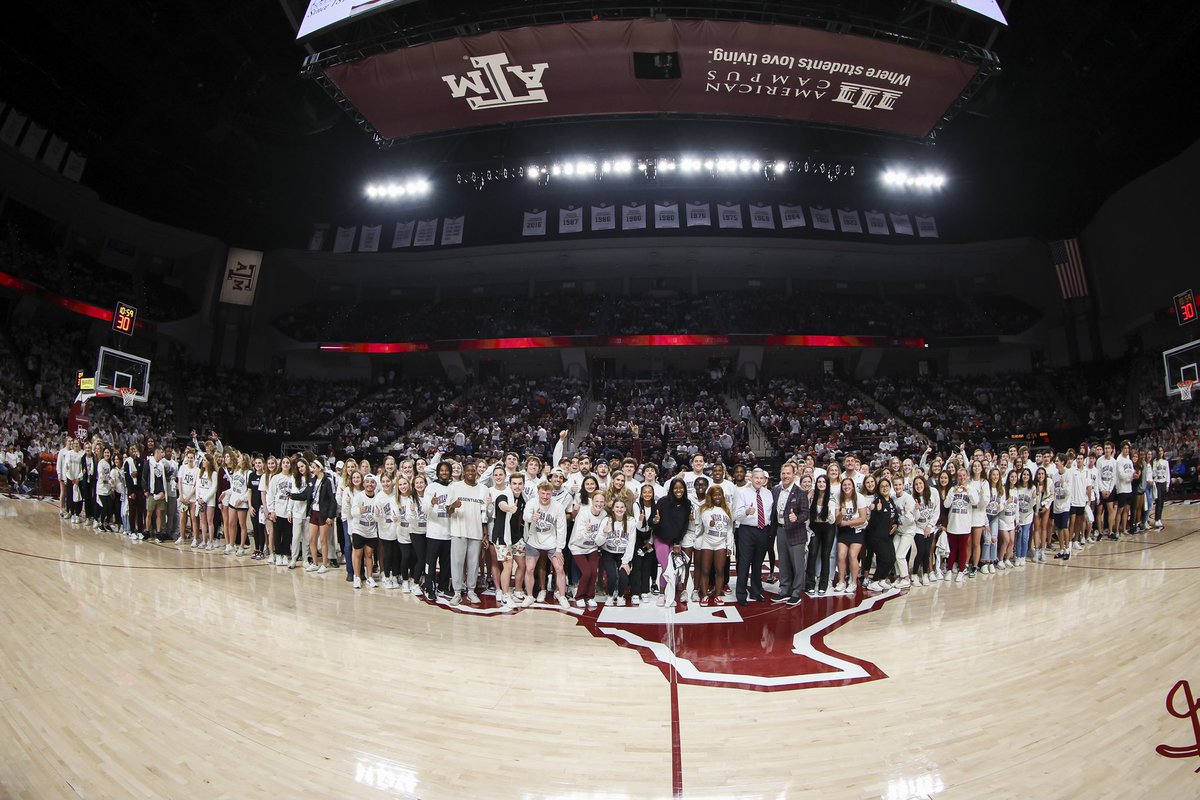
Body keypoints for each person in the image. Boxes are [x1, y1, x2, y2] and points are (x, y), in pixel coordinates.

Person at [520, 481, 571, 609]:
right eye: (542, 493)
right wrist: (532, 517)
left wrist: (559, 548)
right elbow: (525, 516)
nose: (545, 496)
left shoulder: (558, 507)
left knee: (559, 568)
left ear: (551, 494)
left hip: (551, 542)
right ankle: (530, 596)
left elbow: (561, 529)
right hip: (533, 541)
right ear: (538, 492)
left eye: (548, 494)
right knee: (529, 568)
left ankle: (562, 596)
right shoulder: (532, 502)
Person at [446, 460, 489, 606]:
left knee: (474, 563)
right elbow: (447, 510)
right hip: (458, 530)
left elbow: (484, 514)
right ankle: (457, 592)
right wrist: (453, 505)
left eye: (473, 470)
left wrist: (485, 533)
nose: (470, 473)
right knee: (457, 563)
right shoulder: (454, 487)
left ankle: (471, 591)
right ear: (464, 472)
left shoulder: (483, 489)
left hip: (476, 531)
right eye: (468, 470)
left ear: (476, 473)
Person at [771, 462, 810, 606]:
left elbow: (806, 513)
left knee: (798, 564)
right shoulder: (776, 490)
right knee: (783, 562)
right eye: (783, 473)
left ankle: (796, 593)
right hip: (781, 530)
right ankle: (784, 590)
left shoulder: (800, 492)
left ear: (794, 474)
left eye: (788, 473)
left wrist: (797, 518)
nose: (785, 476)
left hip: (796, 532)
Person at [732, 469, 772, 606]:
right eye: (756, 478)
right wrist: (746, 512)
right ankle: (741, 594)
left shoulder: (768, 494)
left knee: (758, 563)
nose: (759, 480)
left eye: (761, 478)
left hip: (763, 530)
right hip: (746, 530)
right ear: (751, 479)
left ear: (764, 480)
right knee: (744, 562)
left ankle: (756, 591)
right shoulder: (742, 493)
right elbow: (736, 515)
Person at [653, 478, 692, 607]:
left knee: (675, 570)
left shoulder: (687, 503)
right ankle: (662, 594)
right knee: (666, 568)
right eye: (675, 488)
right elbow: (653, 521)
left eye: (681, 488)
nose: (678, 490)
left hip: (675, 542)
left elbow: (685, 525)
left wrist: (677, 542)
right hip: (661, 539)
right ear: (671, 489)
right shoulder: (663, 501)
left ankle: (671, 594)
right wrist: (655, 521)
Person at [490, 473, 526, 606]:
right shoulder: (503, 495)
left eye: (520, 484)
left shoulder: (524, 498)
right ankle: (505, 595)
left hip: (516, 537)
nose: (517, 486)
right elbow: (502, 505)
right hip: (502, 537)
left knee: (523, 565)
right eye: (514, 483)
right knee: (508, 565)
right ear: (510, 485)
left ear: (523, 485)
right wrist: (509, 508)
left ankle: (518, 590)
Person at [569, 490, 609, 608]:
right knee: (586, 572)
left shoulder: (604, 515)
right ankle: (579, 596)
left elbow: (599, 541)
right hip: (578, 547)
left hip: (592, 547)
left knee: (593, 572)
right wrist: (587, 531)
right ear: (592, 501)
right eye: (597, 501)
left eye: (601, 502)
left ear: (604, 503)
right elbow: (578, 537)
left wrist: (604, 533)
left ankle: (590, 596)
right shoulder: (583, 514)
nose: (599, 504)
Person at [832, 477, 868, 594]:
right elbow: (837, 522)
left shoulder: (860, 497)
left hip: (857, 530)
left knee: (852, 555)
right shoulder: (838, 498)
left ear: (853, 486)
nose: (847, 487)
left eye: (849, 485)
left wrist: (846, 523)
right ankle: (841, 581)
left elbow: (863, 519)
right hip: (843, 531)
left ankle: (853, 582)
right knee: (841, 555)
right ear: (842, 487)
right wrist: (840, 515)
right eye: (844, 485)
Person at [350, 474, 385, 589]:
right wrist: (359, 510)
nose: (370, 484)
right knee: (358, 554)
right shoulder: (358, 497)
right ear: (364, 484)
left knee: (369, 554)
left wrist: (377, 515)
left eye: (372, 482)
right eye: (367, 482)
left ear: (375, 485)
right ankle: (357, 577)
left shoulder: (378, 498)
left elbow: (379, 516)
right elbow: (353, 512)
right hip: (359, 530)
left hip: (371, 531)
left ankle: (369, 577)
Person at [864, 477, 898, 592]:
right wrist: (876, 512)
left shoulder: (891, 501)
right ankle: (873, 581)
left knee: (892, 558)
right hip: (877, 537)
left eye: (886, 486)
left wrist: (896, 524)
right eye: (882, 486)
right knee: (885, 559)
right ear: (879, 489)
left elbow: (894, 516)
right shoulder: (877, 502)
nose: (885, 488)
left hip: (887, 536)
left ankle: (882, 579)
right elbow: (872, 523)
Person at [805, 474, 836, 595]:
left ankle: (823, 584)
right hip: (814, 528)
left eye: (824, 482)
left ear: (827, 484)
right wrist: (808, 496)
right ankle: (810, 584)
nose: (821, 484)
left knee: (825, 555)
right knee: (812, 554)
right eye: (819, 482)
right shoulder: (812, 496)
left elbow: (832, 519)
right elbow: (805, 509)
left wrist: (831, 517)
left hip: (828, 528)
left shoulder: (831, 498)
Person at [601, 498, 636, 606]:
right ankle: (610, 595)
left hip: (623, 553)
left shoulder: (631, 521)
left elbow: (631, 543)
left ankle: (621, 596)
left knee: (623, 575)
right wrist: (604, 533)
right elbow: (598, 542)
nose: (619, 509)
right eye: (617, 507)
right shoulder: (606, 520)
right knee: (612, 576)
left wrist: (625, 561)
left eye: (622, 507)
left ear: (625, 509)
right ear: (612, 508)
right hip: (608, 553)